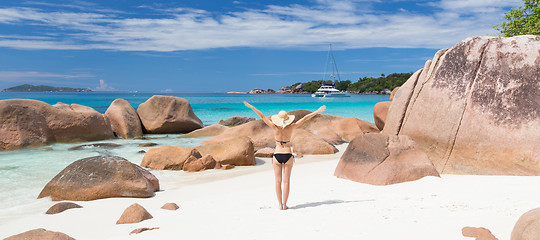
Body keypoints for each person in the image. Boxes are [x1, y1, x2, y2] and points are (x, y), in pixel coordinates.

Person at [244, 101, 326, 210]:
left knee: (278, 181)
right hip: (288, 154)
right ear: (288, 119)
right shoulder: (292, 126)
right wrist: (317, 111)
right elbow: (306, 118)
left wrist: (251, 107)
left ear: (278, 118)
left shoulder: (274, 126)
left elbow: (262, 116)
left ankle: (279, 205)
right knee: (286, 181)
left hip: (277, 154)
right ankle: (285, 204)